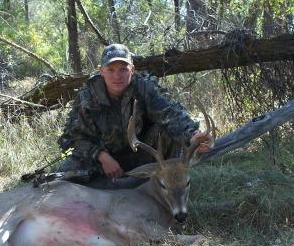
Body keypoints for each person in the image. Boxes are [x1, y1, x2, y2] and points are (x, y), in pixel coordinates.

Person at [57, 43, 212, 188]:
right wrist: (101, 156)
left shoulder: (144, 87)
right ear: (101, 71)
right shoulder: (87, 97)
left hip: (141, 154)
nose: (117, 76)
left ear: (132, 69)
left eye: (123, 69)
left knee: (166, 133)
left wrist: (192, 136)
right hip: (103, 160)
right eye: (111, 70)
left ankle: (171, 187)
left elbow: (171, 113)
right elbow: (75, 138)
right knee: (64, 172)